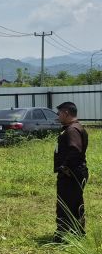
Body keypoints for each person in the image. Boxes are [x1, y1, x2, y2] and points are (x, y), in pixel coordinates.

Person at [53, 101, 88, 241]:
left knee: (64, 204)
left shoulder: (72, 130)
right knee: (75, 202)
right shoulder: (74, 127)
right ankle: (78, 232)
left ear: (66, 113)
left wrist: (64, 167)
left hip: (71, 174)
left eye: (59, 113)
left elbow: (75, 149)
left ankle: (61, 235)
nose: (58, 116)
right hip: (76, 172)